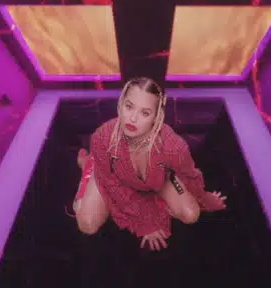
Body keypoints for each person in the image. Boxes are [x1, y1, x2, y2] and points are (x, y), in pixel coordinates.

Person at [72, 77, 227, 251]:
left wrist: (203, 198)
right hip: (108, 175)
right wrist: (145, 221)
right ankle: (89, 166)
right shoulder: (102, 138)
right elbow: (115, 188)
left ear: (156, 117)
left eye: (145, 113)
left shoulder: (173, 146)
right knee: (87, 223)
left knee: (191, 214)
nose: (132, 118)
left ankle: (151, 194)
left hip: (156, 178)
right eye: (129, 106)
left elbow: (189, 174)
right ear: (120, 104)